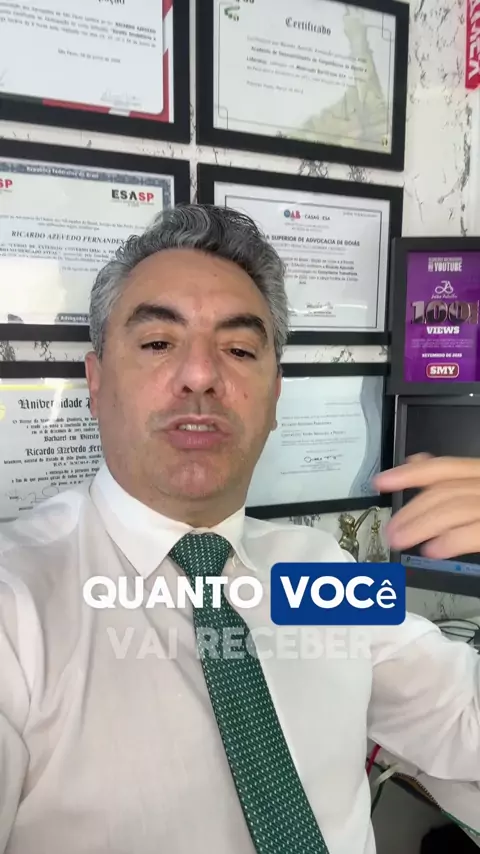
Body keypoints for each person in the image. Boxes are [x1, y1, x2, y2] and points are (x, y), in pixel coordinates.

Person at [0, 204, 478, 854]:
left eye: (239, 349)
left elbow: (467, 724)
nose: (201, 375)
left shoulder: (318, 572)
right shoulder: (20, 603)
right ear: (96, 381)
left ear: (275, 395)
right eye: (158, 343)